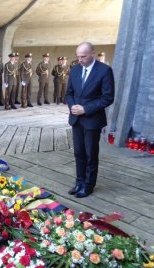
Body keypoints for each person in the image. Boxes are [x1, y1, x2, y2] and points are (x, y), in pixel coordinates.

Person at [66, 42, 115, 198]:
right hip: (76, 119)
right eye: (78, 56)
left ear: (92, 53)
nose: (79, 60)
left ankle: (88, 185)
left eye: (83, 56)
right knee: (79, 153)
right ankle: (79, 182)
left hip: (93, 120)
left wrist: (86, 109)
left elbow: (108, 98)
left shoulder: (105, 71)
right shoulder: (74, 69)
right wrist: (73, 106)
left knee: (90, 154)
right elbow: (69, 93)